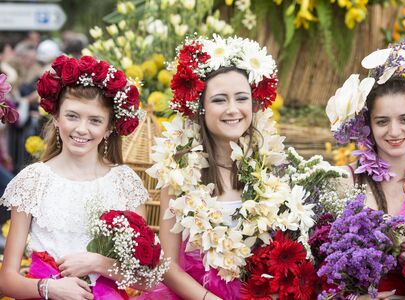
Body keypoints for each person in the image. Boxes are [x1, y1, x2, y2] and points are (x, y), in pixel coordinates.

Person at [0, 55, 149, 299]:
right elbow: (6, 280)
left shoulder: (125, 183)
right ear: (57, 118)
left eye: (95, 120)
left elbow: (146, 278)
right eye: (72, 116)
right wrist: (48, 288)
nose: (81, 129)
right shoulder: (34, 181)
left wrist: (98, 263)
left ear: (109, 127)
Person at [147, 35, 279, 300]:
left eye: (241, 98)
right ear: (201, 108)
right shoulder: (177, 176)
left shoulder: (271, 168)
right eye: (219, 100)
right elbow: (168, 266)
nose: (233, 110)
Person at [326, 42, 405, 300]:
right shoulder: (346, 182)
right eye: (382, 121)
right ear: (368, 125)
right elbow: (324, 270)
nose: (394, 132)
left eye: (404, 119)